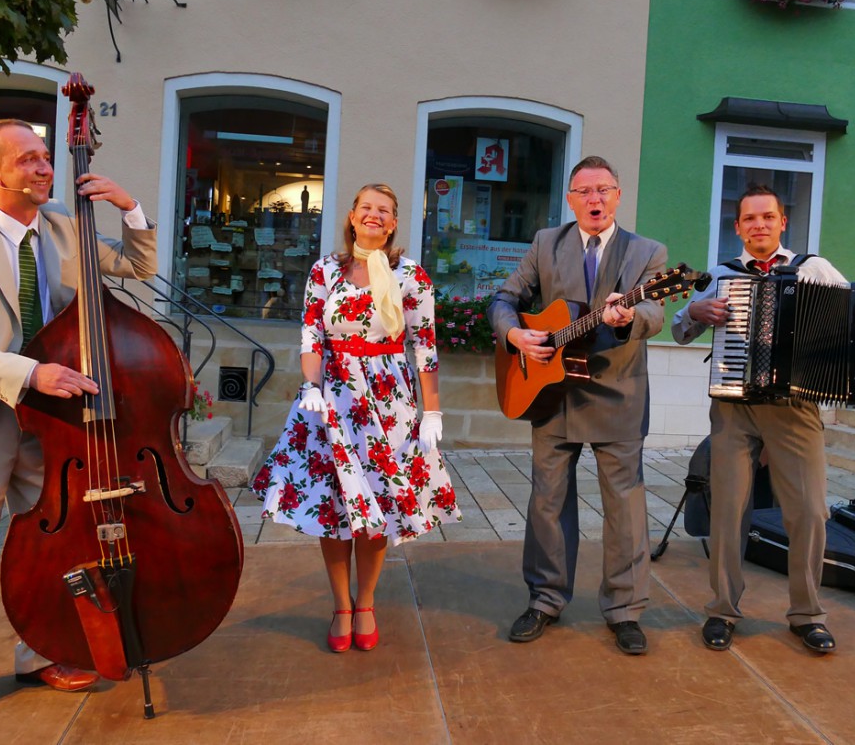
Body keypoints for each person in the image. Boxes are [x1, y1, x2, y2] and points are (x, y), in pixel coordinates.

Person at [0, 119, 158, 730]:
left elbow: (139, 269)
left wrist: (132, 209)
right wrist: (27, 372)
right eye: (28, 161)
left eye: (47, 158)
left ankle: (41, 652)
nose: (45, 169)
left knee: (52, 548)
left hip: (51, 421)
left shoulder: (67, 232)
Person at [672, 184, 855, 654]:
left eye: (767, 217)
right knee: (729, 511)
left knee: (810, 513)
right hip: (735, 407)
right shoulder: (721, 274)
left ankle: (806, 614)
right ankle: (722, 610)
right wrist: (695, 310)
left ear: (782, 222)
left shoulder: (813, 268)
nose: (759, 225)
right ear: (737, 227)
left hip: (796, 409)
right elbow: (679, 328)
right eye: (749, 218)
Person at [251, 183, 461, 653]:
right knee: (333, 506)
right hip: (332, 401)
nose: (374, 215)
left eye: (383, 210)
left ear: (393, 223)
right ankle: (339, 605)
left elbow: (425, 348)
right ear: (351, 216)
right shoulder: (326, 270)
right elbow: (311, 336)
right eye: (366, 207)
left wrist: (433, 411)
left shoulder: (412, 276)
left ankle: (364, 602)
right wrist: (310, 385)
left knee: (378, 505)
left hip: (388, 404)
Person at [488, 156, 667, 655]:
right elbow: (504, 299)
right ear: (569, 199)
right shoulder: (546, 242)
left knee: (625, 508)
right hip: (552, 393)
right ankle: (544, 599)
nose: (594, 199)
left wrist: (629, 316)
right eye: (584, 191)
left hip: (618, 395)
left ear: (618, 195)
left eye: (603, 190)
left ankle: (626, 611)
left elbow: (655, 312)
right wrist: (515, 334)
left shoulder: (648, 252)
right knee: (547, 502)